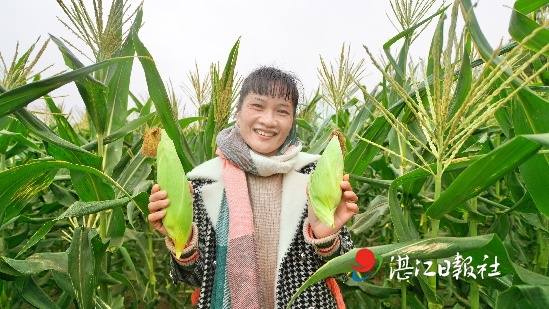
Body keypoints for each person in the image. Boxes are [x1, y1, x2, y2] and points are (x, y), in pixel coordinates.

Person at [148, 66, 358, 309]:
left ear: (292, 122)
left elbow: (349, 272)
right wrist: (179, 238)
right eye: (257, 106)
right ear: (238, 114)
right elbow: (194, 279)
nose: (268, 120)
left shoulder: (315, 174)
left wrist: (325, 236)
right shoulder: (202, 181)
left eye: (282, 111)